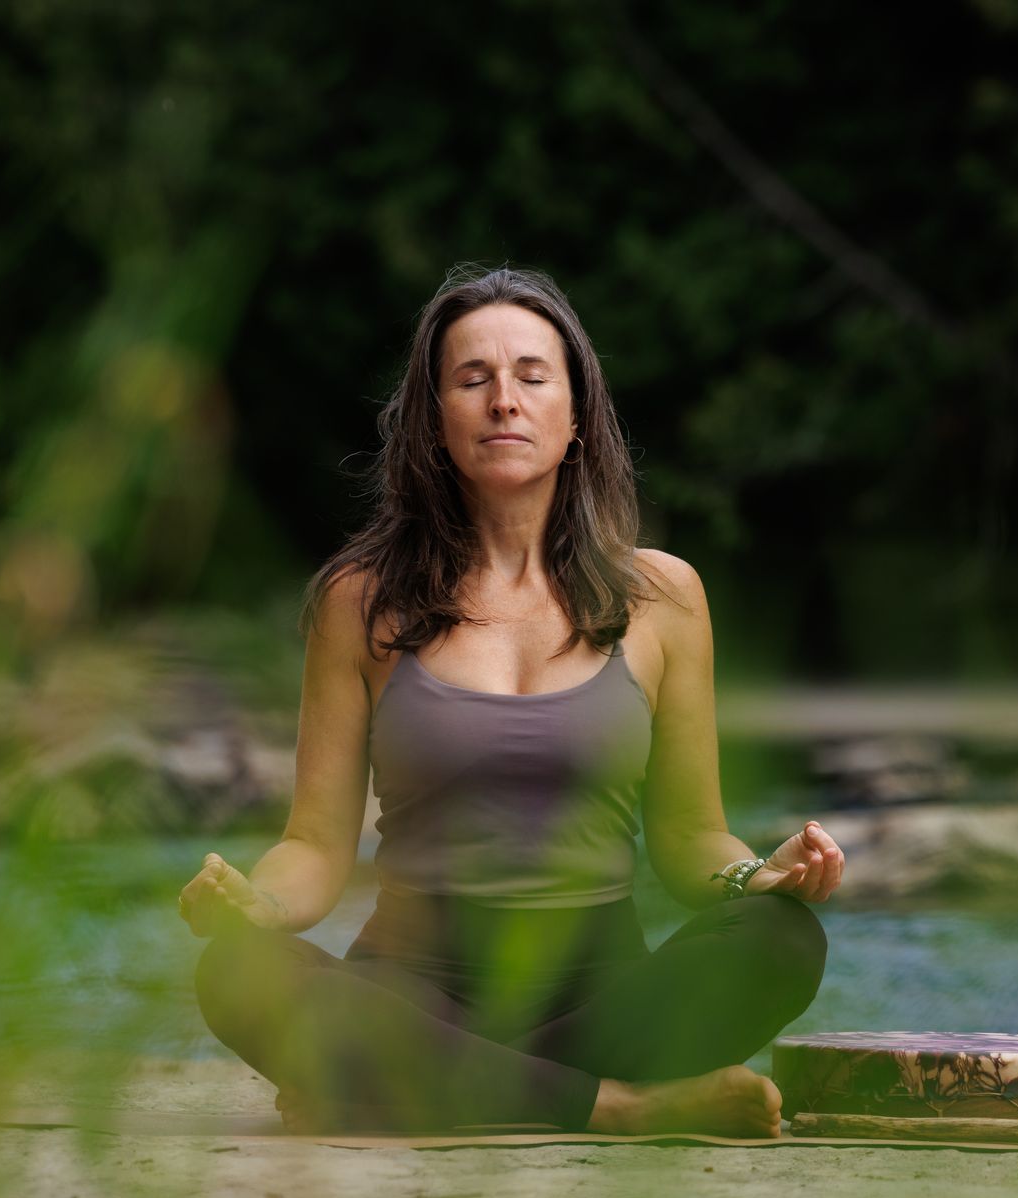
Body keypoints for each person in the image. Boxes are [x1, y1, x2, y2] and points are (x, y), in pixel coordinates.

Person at [177, 264, 844, 1137]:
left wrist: (757, 875)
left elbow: (689, 839)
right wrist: (257, 909)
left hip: (597, 998)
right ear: (434, 421)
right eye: (472, 378)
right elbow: (313, 844)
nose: (504, 400)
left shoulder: (665, 598)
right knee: (234, 970)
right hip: (413, 990)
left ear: (575, 418)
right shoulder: (358, 601)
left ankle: (402, 1085)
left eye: (532, 376)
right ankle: (615, 1106)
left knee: (784, 938)